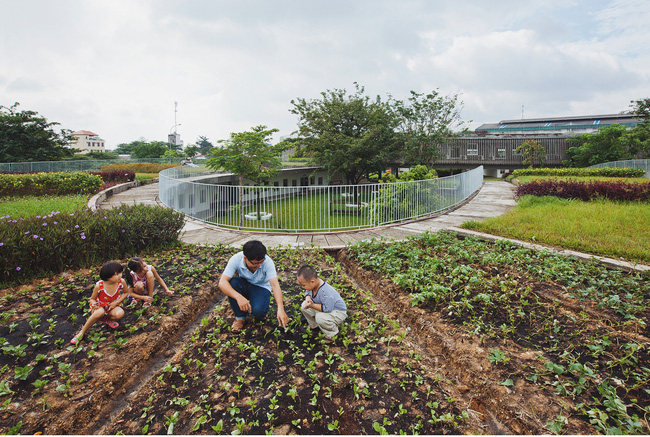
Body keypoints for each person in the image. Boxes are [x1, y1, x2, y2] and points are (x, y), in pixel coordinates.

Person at [218, 240, 289, 331]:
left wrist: (281, 309)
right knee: (233, 283)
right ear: (245, 259)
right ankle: (240, 318)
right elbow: (222, 283)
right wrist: (238, 297)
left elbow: (275, 285)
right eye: (255, 263)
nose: (259, 265)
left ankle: (260, 310)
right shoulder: (236, 259)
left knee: (258, 313)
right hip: (244, 284)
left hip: (261, 287)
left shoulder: (268, 262)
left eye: (261, 262)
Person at [70, 261, 128, 345]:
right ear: (107, 276)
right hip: (100, 306)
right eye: (116, 274)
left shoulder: (121, 282)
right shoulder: (99, 286)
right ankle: (82, 332)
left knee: (120, 313)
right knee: (100, 312)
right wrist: (94, 304)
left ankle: (108, 320)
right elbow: (92, 299)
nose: (120, 275)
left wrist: (116, 302)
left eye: (120, 272)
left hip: (112, 305)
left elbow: (126, 292)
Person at [297, 265, 347, 340]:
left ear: (312, 281)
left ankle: (332, 334)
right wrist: (308, 298)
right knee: (304, 306)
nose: (303, 287)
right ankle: (315, 326)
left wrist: (312, 305)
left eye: (303, 285)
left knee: (320, 318)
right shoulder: (312, 285)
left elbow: (327, 309)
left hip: (337, 311)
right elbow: (307, 292)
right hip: (323, 307)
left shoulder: (325, 292)